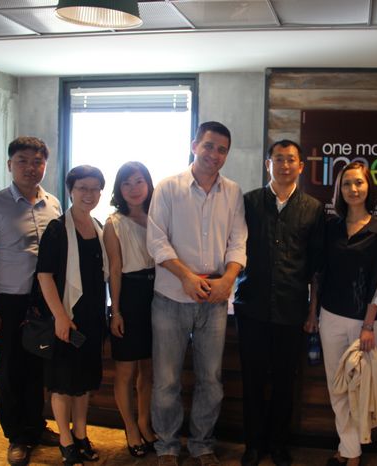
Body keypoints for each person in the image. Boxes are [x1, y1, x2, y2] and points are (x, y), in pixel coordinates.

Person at [146, 121, 248, 466]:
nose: (214, 154)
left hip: (214, 301)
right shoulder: (168, 187)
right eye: (208, 146)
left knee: (211, 380)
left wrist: (228, 279)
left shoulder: (232, 192)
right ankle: (167, 446)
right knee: (166, 380)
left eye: (221, 150)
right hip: (170, 298)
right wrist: (186, 277)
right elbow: (156, 240)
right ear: (194, 146)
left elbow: (238, 241)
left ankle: (202, 444)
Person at [233, 140, 325, 466]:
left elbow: (316, 266)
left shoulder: (313, 208)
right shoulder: (248, 202)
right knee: (253, 380)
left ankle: (278, 444)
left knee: (285, 381)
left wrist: (312, 311)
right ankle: (253, 445)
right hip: (252, 306)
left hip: (292, 308)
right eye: (279, 159)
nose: (285, 165)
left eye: (291, 160)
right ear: (267, 164)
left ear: (301, 166)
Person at [0, 136, 61, 466]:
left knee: (37, 368)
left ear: (45, 166)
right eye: (22, 161)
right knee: (11, 370)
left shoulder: (53, 204)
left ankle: (36, 426)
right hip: (9, 302)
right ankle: (16, 436)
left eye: (37, 162)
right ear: (10, 165)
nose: (30, 167)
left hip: (43, 302)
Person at [310, 161, 377, 466]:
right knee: (338, 388)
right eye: (347, 184)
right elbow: (319, 273)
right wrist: (313, 313)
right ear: (339, 189)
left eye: (359, 183)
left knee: (360, 389)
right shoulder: (330, 227)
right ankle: (350, 450)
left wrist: (369, 325)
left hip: (365, 323)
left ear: (368, 187)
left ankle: (349, 452)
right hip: (330, 317)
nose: (353, 189)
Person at [36, 165, 108, 466]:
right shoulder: (57, 229)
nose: (88, 194)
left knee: (84, 381)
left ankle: (81, 435)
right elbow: (44, 275)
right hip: (66, 315)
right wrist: (60, 317)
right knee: (63, 382)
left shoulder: (99, 226)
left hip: (92, 317)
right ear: (70, 191)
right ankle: (65, 440)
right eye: (82, 188)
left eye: (94, 189)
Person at [103, 161, 157, 457]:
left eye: (139, 181)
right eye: (127, 183)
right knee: (125, 370)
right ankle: (131, 428)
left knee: (148, 369)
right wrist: (117, 311)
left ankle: (145, 423)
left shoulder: (158, 216)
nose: (134, 188)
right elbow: (114, 270)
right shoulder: (114, 223)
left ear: (148, 184)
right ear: (119, 189)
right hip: (129, 295)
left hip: (157, 295)